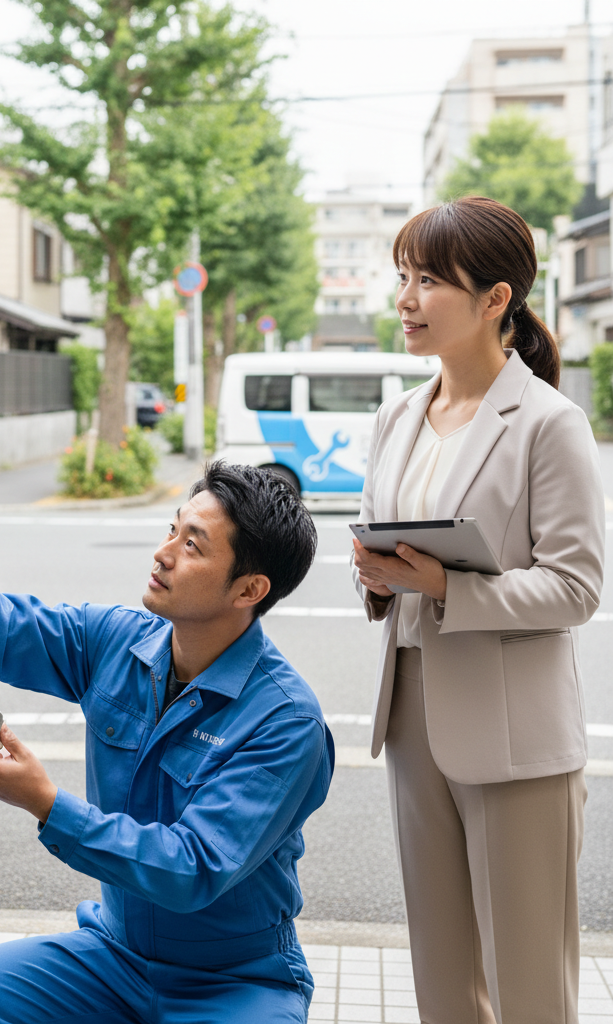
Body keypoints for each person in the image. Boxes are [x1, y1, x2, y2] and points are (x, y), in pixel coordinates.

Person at [0, 447, 333, 1023]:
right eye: (172, 530)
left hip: (236, 980)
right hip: (115, 956)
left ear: (249, 590)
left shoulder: (287, 722)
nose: (162, 554)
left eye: (192, 546)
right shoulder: (114, 641)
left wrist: (46, 803)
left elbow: (192, 868)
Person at [351, 196, 605, 1024]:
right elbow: (395, 567)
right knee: (444, 981)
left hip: (517, 741)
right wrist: (379, 579)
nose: (407, 298)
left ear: (497, 300)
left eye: (429, 280)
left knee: (530, 985)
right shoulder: (397, 416)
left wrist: (445, 587)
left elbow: (576, 588)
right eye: (403, 277)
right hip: (414, 717)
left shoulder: (548, 423)